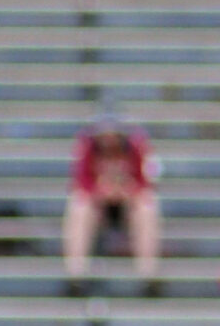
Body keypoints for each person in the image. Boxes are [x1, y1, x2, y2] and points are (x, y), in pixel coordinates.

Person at [61, 116, 162, 284]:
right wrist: (101, 191)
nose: (109, 140)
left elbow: (146, 182)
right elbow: (80, 181)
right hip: (99, 207)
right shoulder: (87, 147)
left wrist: (126, 191)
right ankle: (75, 274)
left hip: (127, 206)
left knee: (147, 206)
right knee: (79, 206)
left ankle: (148, 274)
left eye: (113, 135)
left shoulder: (136, 146)